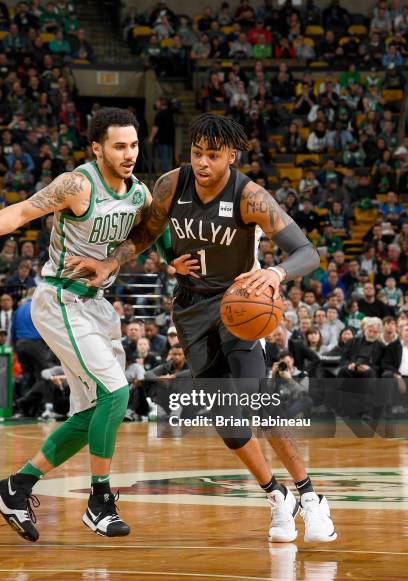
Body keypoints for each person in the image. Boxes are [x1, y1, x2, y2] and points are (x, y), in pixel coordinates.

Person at [68, 113, 337, 544]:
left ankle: (310, 496)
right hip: (192, 311)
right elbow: (145, 233)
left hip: (238, 306)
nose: (203, 163)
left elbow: (306, 252)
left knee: (258, 402)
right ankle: (276, 496)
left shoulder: (250, 196)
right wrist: (121, 262)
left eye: (213, 155)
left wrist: (276, 273)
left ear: (231, 155)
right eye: (197, 153)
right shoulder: (172, 185)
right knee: (229, 425)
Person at [0, 107, 170, 542]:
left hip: (95, 305)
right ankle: (99, 501)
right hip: (60, 298)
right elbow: (18, 214)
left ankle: (16, 487)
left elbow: (152, 231)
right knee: (116, 392)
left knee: (98, 409)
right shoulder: (77, 184)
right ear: (97, 148)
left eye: (133, 145)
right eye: (119, 146)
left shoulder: (138, 193)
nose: (129, 154)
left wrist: (175, 265)